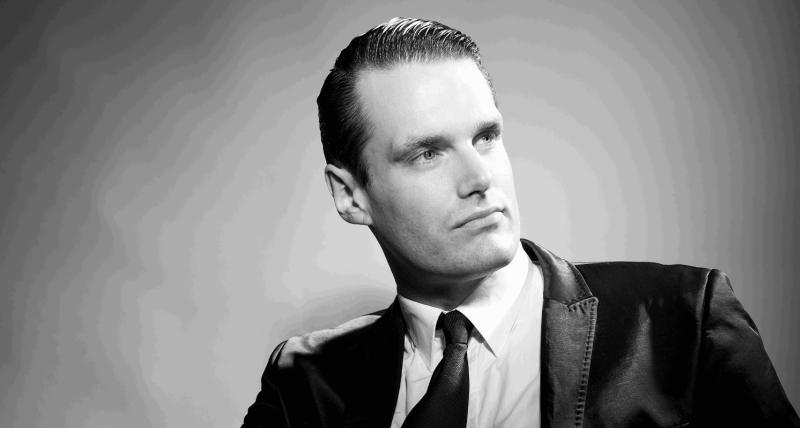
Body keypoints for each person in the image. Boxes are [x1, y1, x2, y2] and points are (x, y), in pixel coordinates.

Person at [242, 17, 799, 427]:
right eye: (427, 153)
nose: (479, 177)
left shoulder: (682, 321)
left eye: (486, 136)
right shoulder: (304, 382)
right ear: (350, 195)